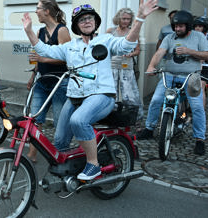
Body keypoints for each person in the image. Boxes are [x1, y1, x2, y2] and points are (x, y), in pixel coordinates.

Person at [22, 0, 158, 180]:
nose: (87, 21)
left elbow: (126, 45)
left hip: (101, 95)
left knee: (79, 120)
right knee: (60, 141)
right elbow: (44, 50)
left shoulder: (105, 40)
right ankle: (69, 171)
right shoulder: (70, 46)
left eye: (90, 18)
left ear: (95, 22)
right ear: (77, 26)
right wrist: (29, 31)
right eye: (82, 20)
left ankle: (93, 164)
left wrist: (140, 18)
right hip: (74, 96)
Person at [136, 10, 208, 156]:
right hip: (169, 75)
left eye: (181, 26)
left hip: (191, 77)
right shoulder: (169, 38)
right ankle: (149, 129)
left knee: (197, 107)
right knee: (156, 100)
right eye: (175, 26)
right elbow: (159, 53)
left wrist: (189, 51)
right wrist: (151, 66)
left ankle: (200, 139)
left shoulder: (199, 37)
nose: (177, 29)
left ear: (188, 26)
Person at [25, 0, 71, 163]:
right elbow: (38, 58)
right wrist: (33, 76)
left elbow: (67, 59)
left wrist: (43, 58)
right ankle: (32, 153)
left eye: (37, 9)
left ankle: (61, 155)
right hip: (42, 82)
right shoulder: (40, 31)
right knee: (35, 119)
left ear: (47, 11)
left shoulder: (62, 30)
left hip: (60, 83)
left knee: (60, 122)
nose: (35, 12)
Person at [106, 8, 143, 121]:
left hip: (127, 67)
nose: (126, 21)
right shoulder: (110, 31)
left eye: (128, 19)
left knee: (130, 94)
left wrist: (131, 54)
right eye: (123, 18)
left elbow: (138, 50)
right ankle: (110, 117)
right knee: (111, 93)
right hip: (112, 66)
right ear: (118, 18)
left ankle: (135, 120)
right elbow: (105, 48)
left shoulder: (132, 32)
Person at [193, 16, 208, 107]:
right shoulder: (192, 36)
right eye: (196, 26)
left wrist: (202, 59)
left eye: (200, 26)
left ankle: (200, 112)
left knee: (201, 87)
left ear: (205, 27)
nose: (197, 28)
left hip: (205, 65)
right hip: (192, 64)